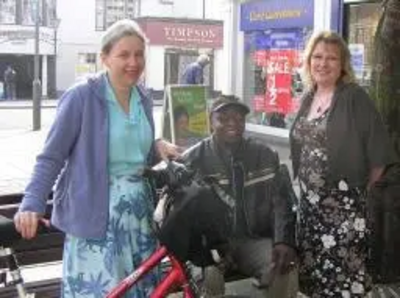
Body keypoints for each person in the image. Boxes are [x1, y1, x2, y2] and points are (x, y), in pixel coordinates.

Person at [13, 19, 180, 298]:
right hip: (95, 219)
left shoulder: (143, 97)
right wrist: (32, 202)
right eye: (124, 54)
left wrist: (157, 145)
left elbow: (137, 157)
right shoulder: (82, 97)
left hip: (138, 219)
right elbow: (51, 157)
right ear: (105, 57)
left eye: (139, 54)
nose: (133, 62)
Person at [289, 31, 397, 297]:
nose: (323, 63)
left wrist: (354, 192)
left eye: (331, 58)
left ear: (342, 65)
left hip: (344, 211)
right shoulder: (308, 96)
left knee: (343, 279)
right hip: (310, 207)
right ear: (308, 61)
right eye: (317, 56)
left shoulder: (354, 97)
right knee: (314, 276)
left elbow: (379, 153)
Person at [180, 95, 298, 297]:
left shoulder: (265, 155)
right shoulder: (192, 160)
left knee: (284, 265)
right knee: (209, 276)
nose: (232, 123)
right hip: (211, 245)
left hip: (252, 239)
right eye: (223, 118)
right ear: (211, 122)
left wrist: (282, 241)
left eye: (238, 118)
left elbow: (282, 203)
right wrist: (209, 247)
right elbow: (185, 217)